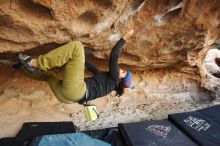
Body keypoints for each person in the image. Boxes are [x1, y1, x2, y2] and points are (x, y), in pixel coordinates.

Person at [14, 29, 135, 104]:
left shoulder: (114, 79)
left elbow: (114, 56)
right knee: (48, 76)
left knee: (77, 46)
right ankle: (22, 67)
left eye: (123, 72)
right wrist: (81, 61)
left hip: (75, 91)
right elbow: (91, 67)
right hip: (66, 98)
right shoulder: (107, 83)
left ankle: (33, 63)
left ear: (121, 79)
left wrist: (125, 37)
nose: (121, 70)